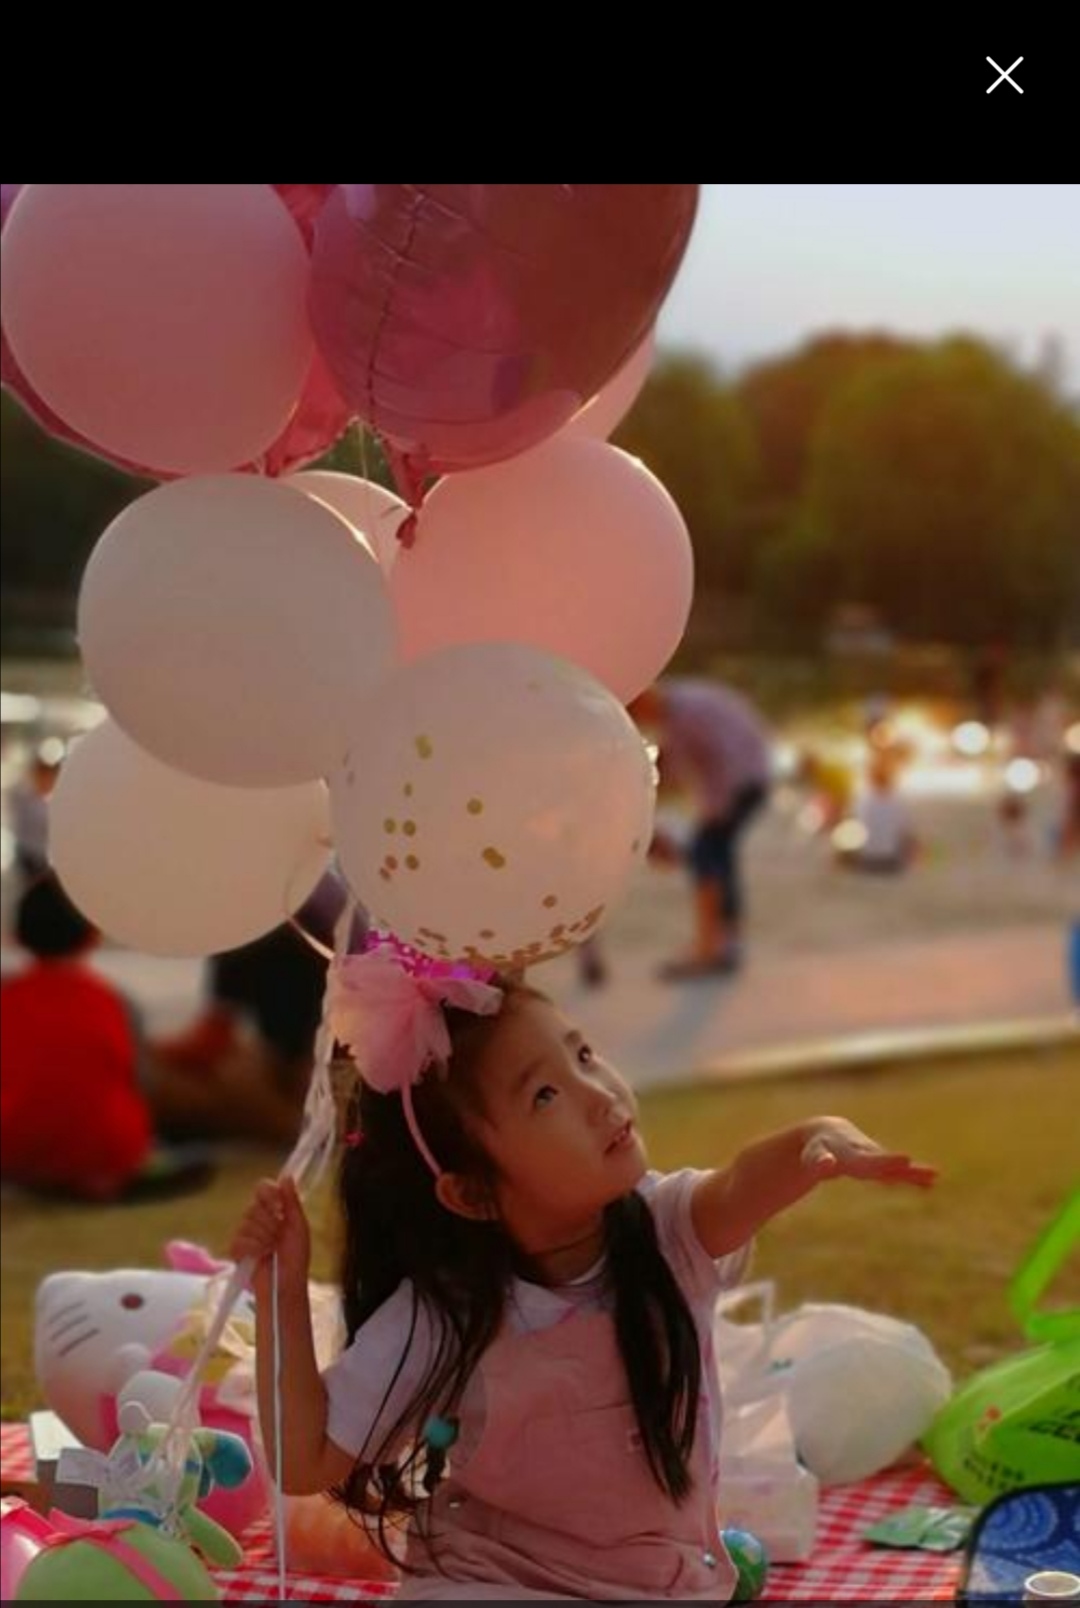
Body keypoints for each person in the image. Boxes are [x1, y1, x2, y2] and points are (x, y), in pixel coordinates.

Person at [231, 949, 936, 1600]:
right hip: (488, 1583)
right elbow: (307, 1459)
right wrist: (281, 1292)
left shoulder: (668, 1231)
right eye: (545, 1095)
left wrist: (821, 1137)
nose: (599, 1095)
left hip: (658, 1587)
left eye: (585, 1055)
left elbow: (744, 1180)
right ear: (471, 1192)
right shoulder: (445, 1311)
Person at [0, 875, 214, 1202]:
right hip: (109, 1148)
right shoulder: (114, 1002)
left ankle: (50, 1173)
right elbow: (140, 1084)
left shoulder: (8, 999)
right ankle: (101, 1175)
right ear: (93, 935)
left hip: (13, 1146)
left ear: (17, 937)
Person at [629, 679, 772, 980]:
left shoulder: (684, 715)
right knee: (717, 857)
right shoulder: (679, 712)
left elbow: (724, 759)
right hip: (746, 779)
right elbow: (677, 772)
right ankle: (724, 942)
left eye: (636, 713)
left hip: (742, 782)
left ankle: (712, 946)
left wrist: (713, 813)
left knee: (708, 857)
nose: (640, 722)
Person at [838, 752, 918, 875]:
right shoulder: (898, 800)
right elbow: (905, 833)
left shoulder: (862, 799)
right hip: (891, 861)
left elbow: (850, 827)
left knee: (846, 827)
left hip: (866, 860)